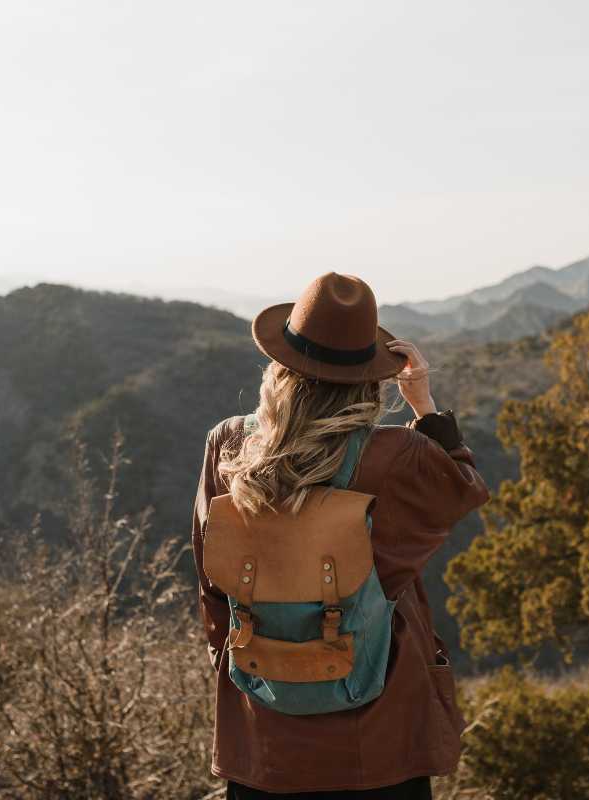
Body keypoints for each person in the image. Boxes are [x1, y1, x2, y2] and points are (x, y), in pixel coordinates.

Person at [191, 272, 491, 797]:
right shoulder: (399, 458)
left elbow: (211, 582)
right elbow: (463, 488)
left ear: (280, 365)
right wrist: (424, 403)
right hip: (380, 742)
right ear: (371, 377)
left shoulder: (228, 447)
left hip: (263, 738)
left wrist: (251, 666)